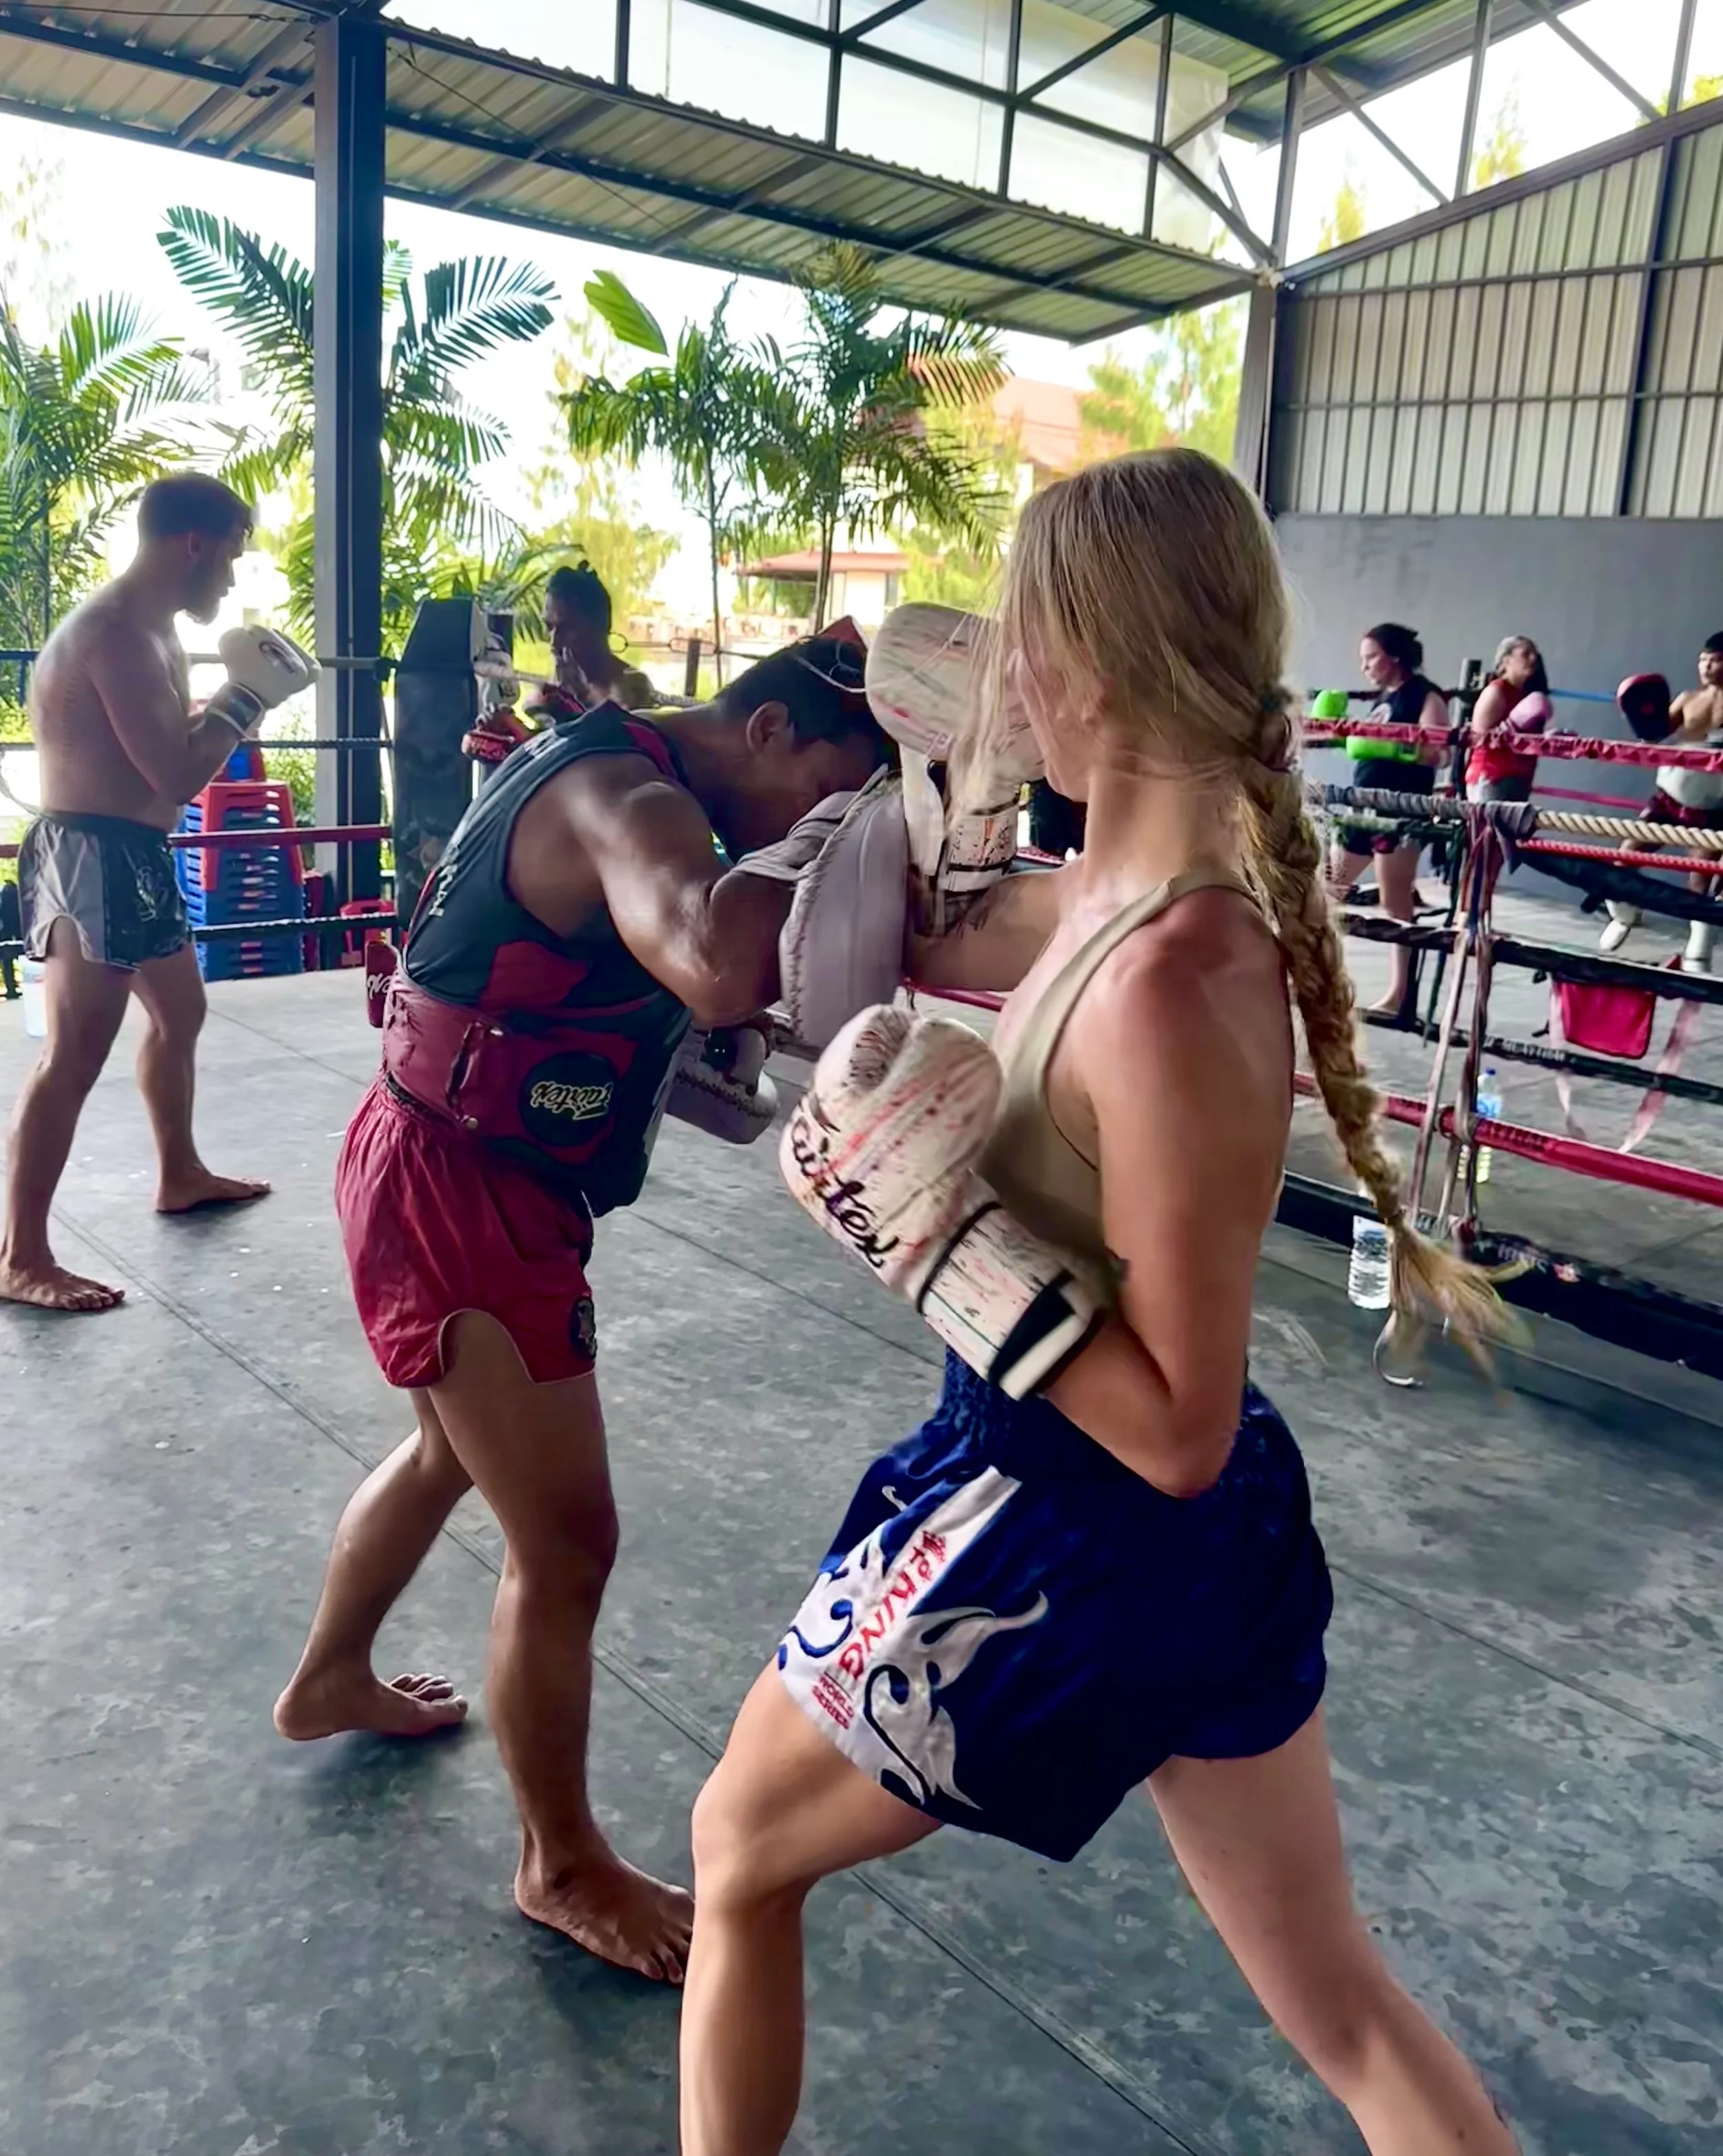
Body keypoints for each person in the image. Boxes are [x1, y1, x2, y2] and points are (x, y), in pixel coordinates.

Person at [678, 451, 1517, 2156]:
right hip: (1179, 1555)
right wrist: (937, 788)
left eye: (1021, 648)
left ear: (1084, 664)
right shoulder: (1106, 902)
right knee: (1339, 2004)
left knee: (734, 1853)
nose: (1004, 677)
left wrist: (935, 1246)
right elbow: (879, 934)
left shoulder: (1173, 979)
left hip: (1076, 1528)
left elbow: (1179, 1429)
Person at [272, 635, 894, 1986]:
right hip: (462, 1191)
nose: (818, 825)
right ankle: (558, 1862)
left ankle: (329, 1676)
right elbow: (719, 964)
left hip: (461, 1165)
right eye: (827, 793)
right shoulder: (640, 801)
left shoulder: (635, 762)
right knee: (566, 1546)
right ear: (773, 730)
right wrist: (843, 851)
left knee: (452, 1449)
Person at [0, 472, 310, 1314]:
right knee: (73, 1054)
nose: (233, 579)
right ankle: (19, 1256)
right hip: (92, 856)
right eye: (232, 557)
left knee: (180, 1012)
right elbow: (175, 771)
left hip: (135, 852)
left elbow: (168, 759)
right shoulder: (115, 638)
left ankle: (179, 1173)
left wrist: (227, 703)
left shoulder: (154, 631)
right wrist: (245, 699)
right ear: (194, 545)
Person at [1325, 623, 1449, 1017]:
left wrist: (1395, 745)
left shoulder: (1425, 695)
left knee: (1395, 904)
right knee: (1327, 890)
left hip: (1400, 811)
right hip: (1362, 806)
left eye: (1371, 658)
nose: (1365, 667)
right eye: (1362, 660)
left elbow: (1439, 753)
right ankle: (1314, 979)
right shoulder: (1384, 696)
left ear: (1394, 657)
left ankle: (1399, 997)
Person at [1600, 630, 1723, 970]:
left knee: (1701, 881)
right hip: (1669, 798)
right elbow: (1654, 733)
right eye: (1703, 659)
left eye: (1715, 660)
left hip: (1712, 807)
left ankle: (1699, 951)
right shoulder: (1687, 699)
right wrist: (1639, 711)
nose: (1707, 666)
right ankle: (1625, 916)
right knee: (1625, 857)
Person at [544, 561, 663, 712]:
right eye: (549, 627)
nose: (554, 642)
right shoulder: (562, 678)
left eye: (568, 628)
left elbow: (621, 729)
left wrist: (582, 696)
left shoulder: (631, 686)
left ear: (600, 626)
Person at [1465, 636, 1550, 806]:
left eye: (1535, 654)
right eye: (1526, 654)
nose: (1533, 659)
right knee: (1489, 832)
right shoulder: (1496, 692)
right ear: (1506, 661)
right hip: (1493, 776)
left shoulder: (1523, 695)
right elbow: (1479, 738)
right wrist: (1511, 725)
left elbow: (1524, 740)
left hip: (1519, 777)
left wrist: (1547, 739)